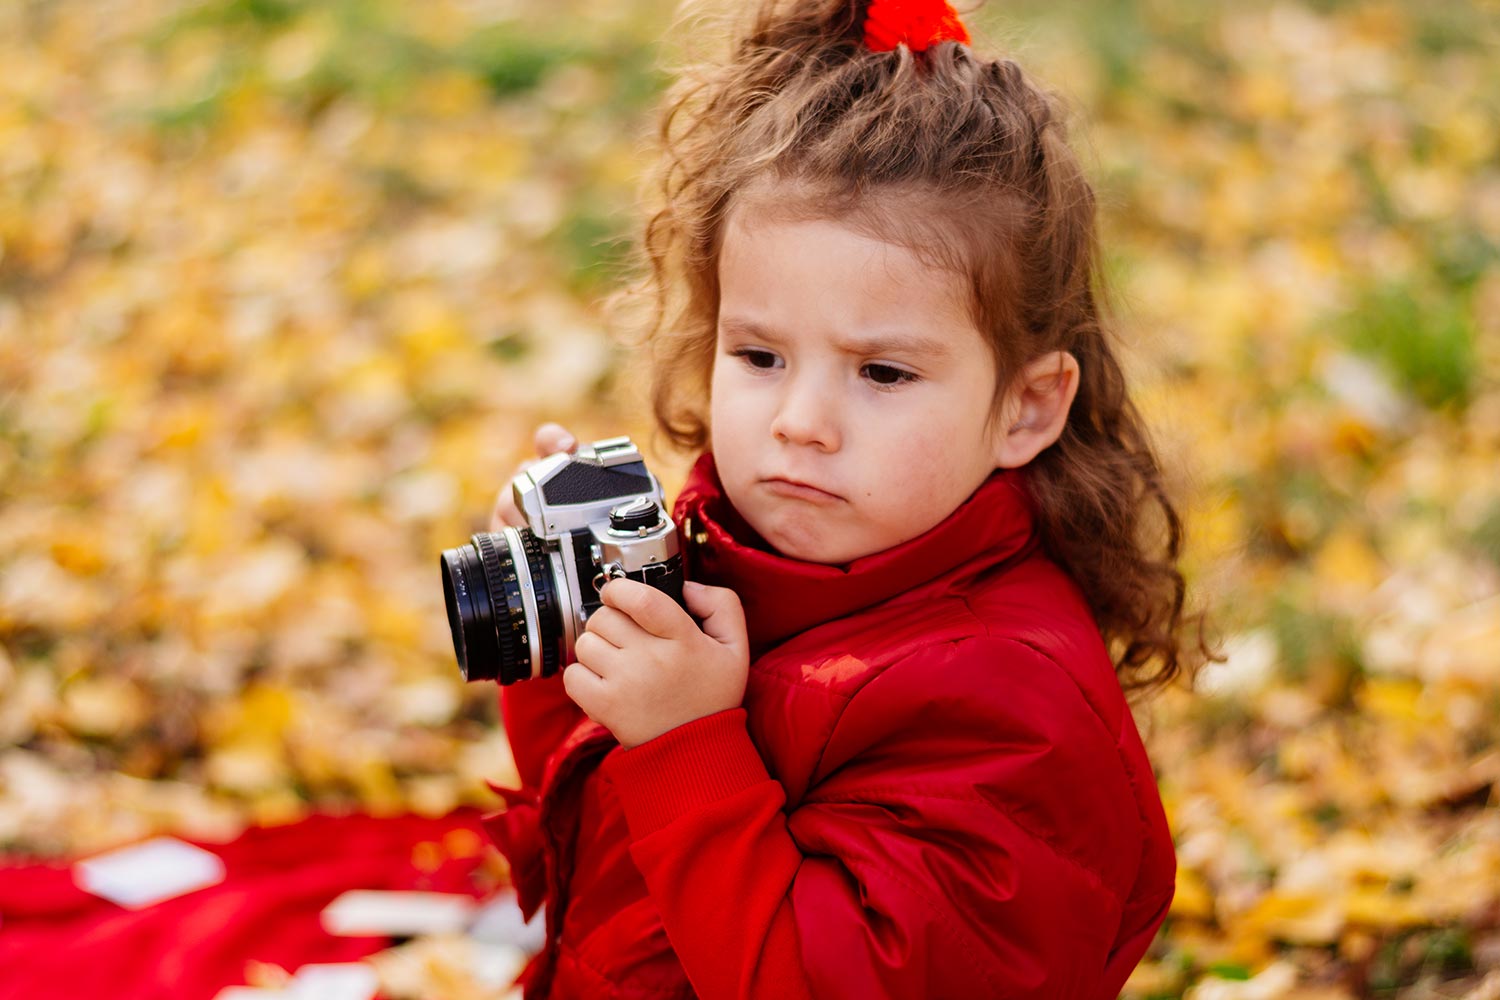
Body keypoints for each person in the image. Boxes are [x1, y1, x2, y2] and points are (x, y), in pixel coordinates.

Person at [481, 0, 1214, 996]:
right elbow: (608, 860)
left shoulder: (1010, 708)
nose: (801, 421)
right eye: (760, 355)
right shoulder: (737, 556)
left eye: (883, 374)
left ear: (1026, 407)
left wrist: (685, 745)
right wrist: (569, 634)